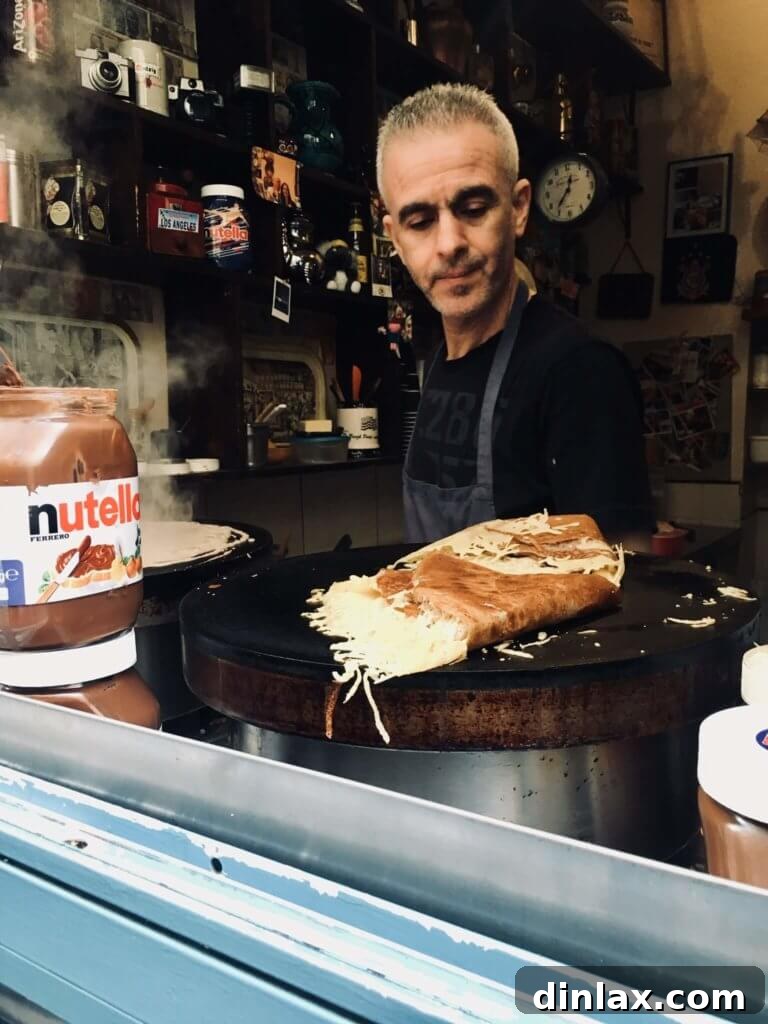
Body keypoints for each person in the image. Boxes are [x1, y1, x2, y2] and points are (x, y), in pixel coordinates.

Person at [376, 83, 654, 547]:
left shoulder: (580, 370)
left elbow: (625, 580)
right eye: (420, 221)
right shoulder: (438, 359)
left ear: (519, 209)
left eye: (474, 208)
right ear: (395, 238)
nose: (449, 244)